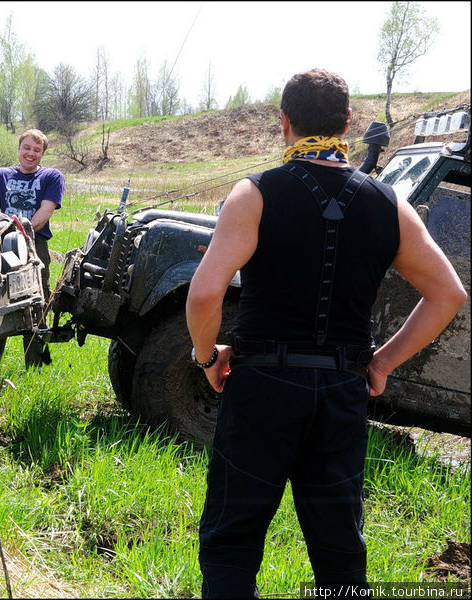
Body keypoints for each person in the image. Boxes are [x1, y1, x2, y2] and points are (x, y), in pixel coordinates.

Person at [185, 68, 466, 598]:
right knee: (340, 554)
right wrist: (380, 363)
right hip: (342, 393)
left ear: (283, 123)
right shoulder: (390, 205)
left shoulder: (254, 194)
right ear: (348, 124)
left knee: (232, 541)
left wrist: (207, 359)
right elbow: (448, 294)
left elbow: (203, 295)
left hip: (261, 386)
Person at [0, 128, 64, 368]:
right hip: (0, 242)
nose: (30, 154)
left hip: (34, 244)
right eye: (27, 148)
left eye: (36, 150)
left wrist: (21, 228)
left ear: (42, 154)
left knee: (37, 299)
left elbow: (43, 215)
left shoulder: (52, 177)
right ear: (19, 149)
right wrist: (4, 226)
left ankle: (36, 365)